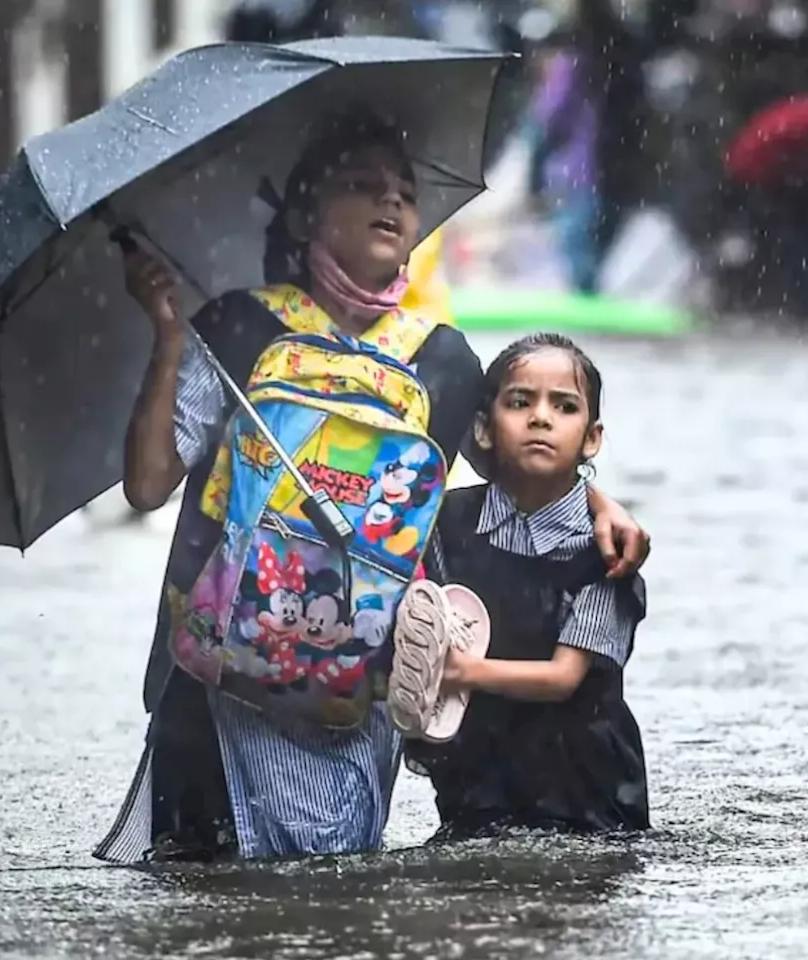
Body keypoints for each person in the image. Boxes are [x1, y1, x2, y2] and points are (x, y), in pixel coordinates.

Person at [92, 110, 651, 864]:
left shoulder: (443, 361)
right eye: (362, 186)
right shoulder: (235, 329)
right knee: (208, 900)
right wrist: (167, 338)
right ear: (307, 212)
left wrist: (599, 504)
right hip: (216, 696)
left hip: (357, 701)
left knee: (335, 891)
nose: (391, 204)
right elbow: (147, 485)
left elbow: (526, 468)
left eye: (404, 192)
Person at [404, 332, 649, 838]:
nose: (541, 417)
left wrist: (457, 672)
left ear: (592, 438)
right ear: (484, 429)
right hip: (478, 779)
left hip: (587, 792)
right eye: (520, 402)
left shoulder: (604, 554)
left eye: (564, 406)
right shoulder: (445, 523)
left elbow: (564, 678)